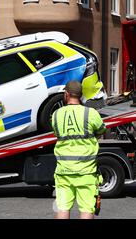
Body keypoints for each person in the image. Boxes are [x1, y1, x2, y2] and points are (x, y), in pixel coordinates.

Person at [51, 80, 106, 219]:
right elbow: (101, 130)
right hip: (86, 171)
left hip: (64, 171)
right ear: (81, 95)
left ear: (67, 94)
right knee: (87, 209)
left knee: (62, 209)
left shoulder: (56, 115)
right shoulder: (90, 113)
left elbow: (58, 134)